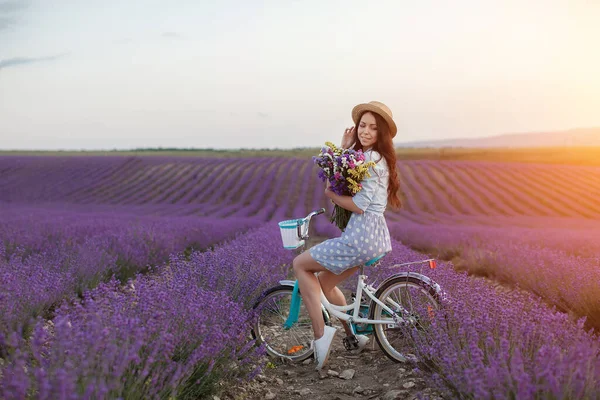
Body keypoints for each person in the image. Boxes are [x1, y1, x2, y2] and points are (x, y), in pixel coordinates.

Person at [292, 101, 402, 370]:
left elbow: (360, 205)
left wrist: (332, 195)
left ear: (382, 133)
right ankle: (353, 338)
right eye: (362, 125)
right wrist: (343, 145)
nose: (365, 131)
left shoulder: (369, 160)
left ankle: (321, 335)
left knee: (300, 265)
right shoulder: (375, 156)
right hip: (373, 237)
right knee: (325, 284)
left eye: (373, 128)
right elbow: (346, 168)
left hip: (360, 237)